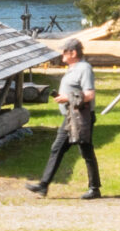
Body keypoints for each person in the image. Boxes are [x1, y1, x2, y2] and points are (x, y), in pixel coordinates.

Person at [27, 38, 100, 199]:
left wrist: (67, 98)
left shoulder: (84, 68)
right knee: (57, 148)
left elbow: (89, 94)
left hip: (81, 118)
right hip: (70, 117)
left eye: (64, 52)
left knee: (86, 151)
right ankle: (43, 186)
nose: (62, 55)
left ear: (73, 53)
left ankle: (94, 189)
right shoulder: (73, 68)